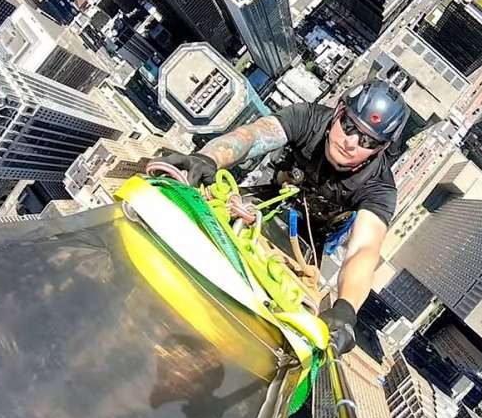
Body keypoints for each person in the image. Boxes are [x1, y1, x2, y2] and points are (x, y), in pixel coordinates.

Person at [155, 80, 409, 355]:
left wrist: (346, 308)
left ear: (380, 150)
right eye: (348, 125)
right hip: (268, 198)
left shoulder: (379, 187)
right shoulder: (309, 119)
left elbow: (364, 248)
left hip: (310, 240)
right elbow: (251, 136)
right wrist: (208, 159)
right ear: (338, 112)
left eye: (368, 141)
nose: (351, 142)